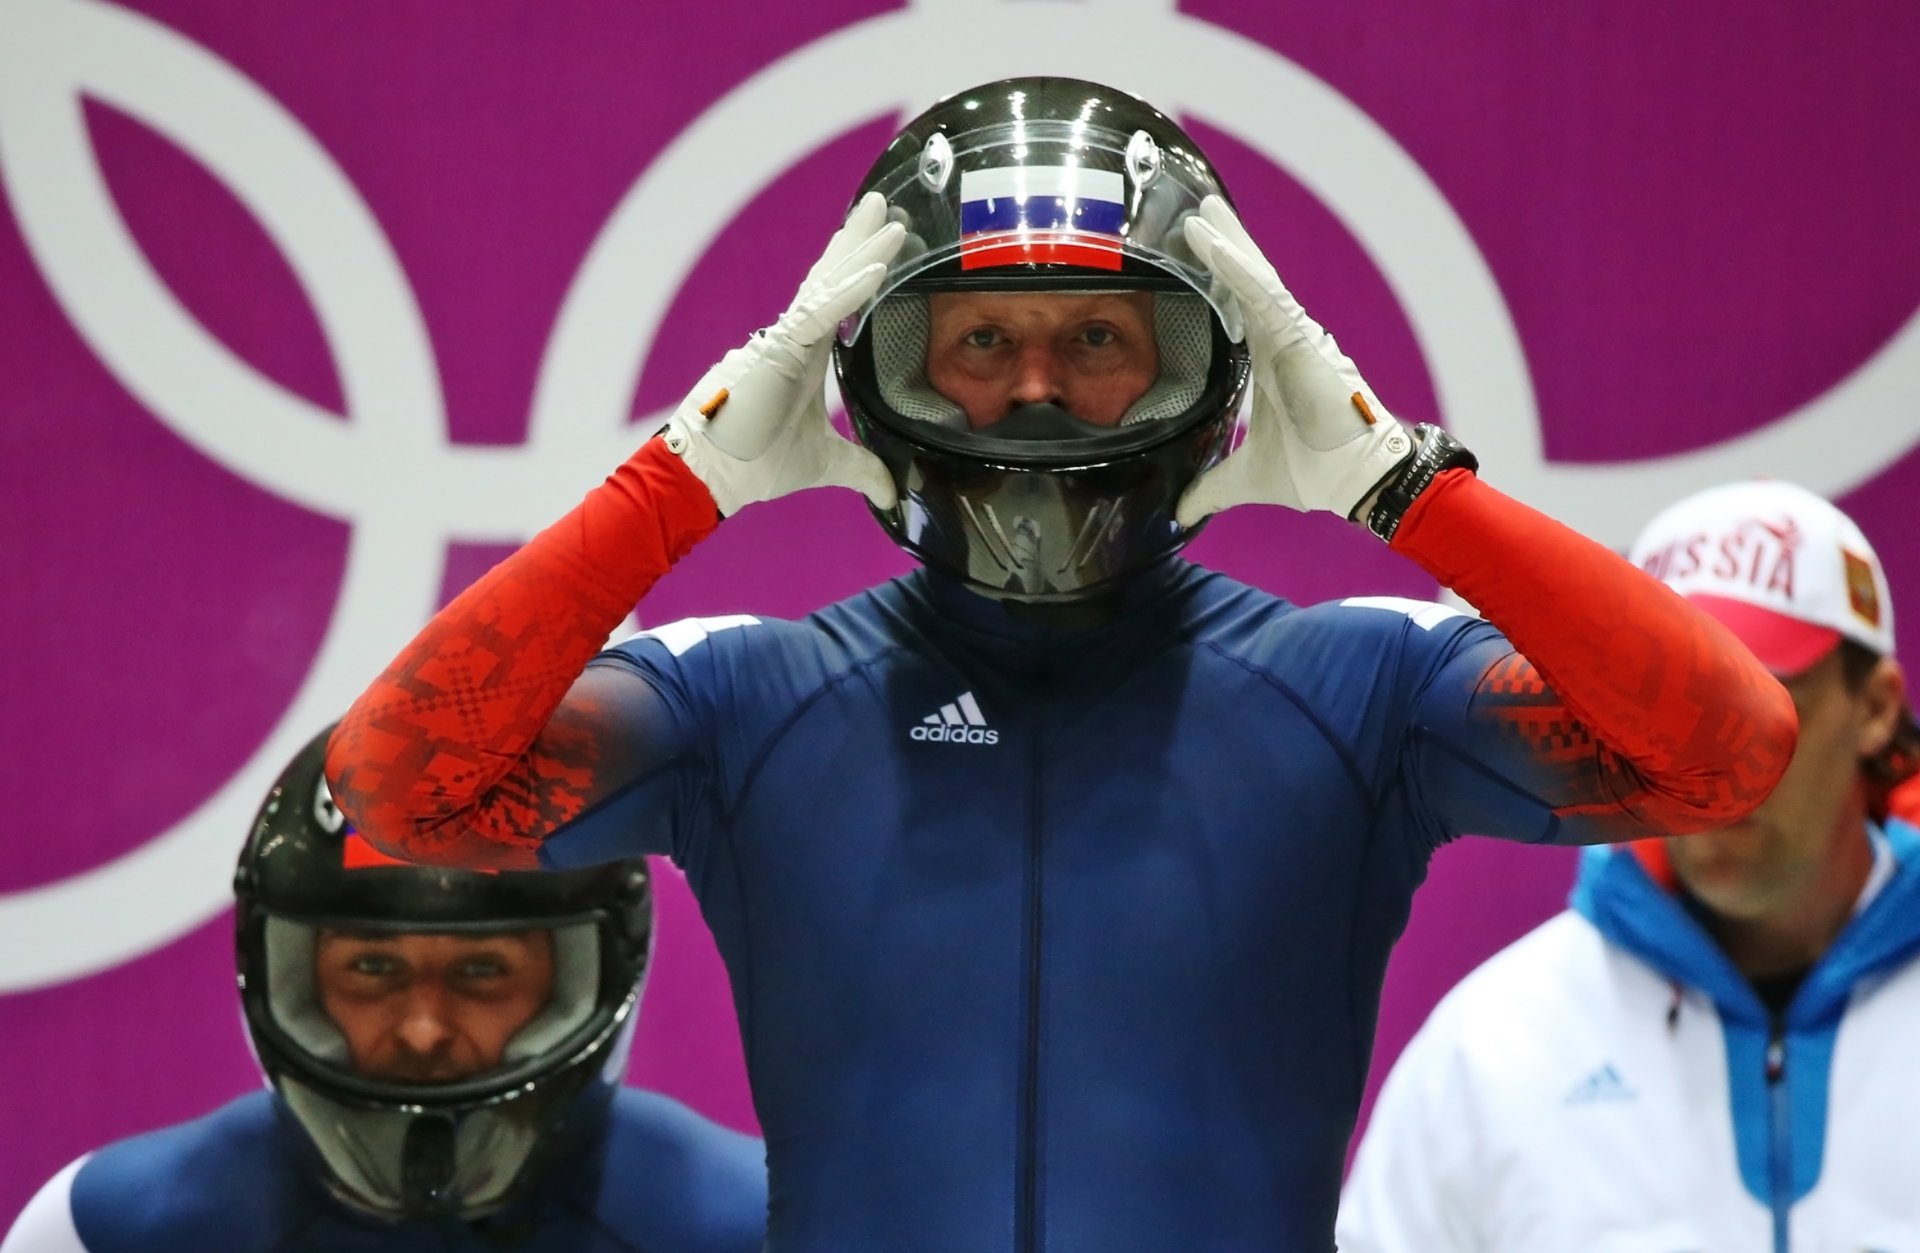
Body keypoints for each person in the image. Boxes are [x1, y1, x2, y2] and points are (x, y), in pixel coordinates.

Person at [323, 76, 1798, 1251]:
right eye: (977, 341)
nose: (1034, 390)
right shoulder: (737, 700)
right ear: (874, 368)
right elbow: (401, 794)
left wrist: (1404, 484)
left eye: (1098, 334)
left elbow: (1730, 750)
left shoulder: (1365, 693)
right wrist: (684, 474)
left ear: (1207, 369)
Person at [1337, 480, 1920, 1252]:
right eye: (1674, 713)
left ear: (1876, 707)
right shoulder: (1494, 1051)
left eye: (1765, 705)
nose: (1717, 758)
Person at [1, 725, 767, 1253]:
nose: (424, 1028)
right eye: (372, 967)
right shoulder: (95, 1234)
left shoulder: (782, 1233)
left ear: (579, 978)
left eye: (482, 969)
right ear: (296, 978)